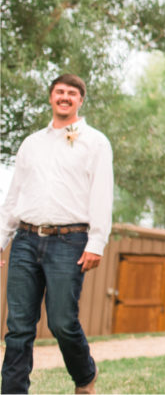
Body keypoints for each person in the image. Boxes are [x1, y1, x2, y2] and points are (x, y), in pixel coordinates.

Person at [1, 74, 113, 395]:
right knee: (18, 327)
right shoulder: (31, 143)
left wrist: (97, 242)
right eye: (59, 91)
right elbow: (14, 195)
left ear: (80, 100)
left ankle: (85, 375)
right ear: (51, 97)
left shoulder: (95, 142)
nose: (65, 97)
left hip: (69, 242)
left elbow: (102, 194)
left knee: (62, 322)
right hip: (25, 240)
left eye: (72, 93)